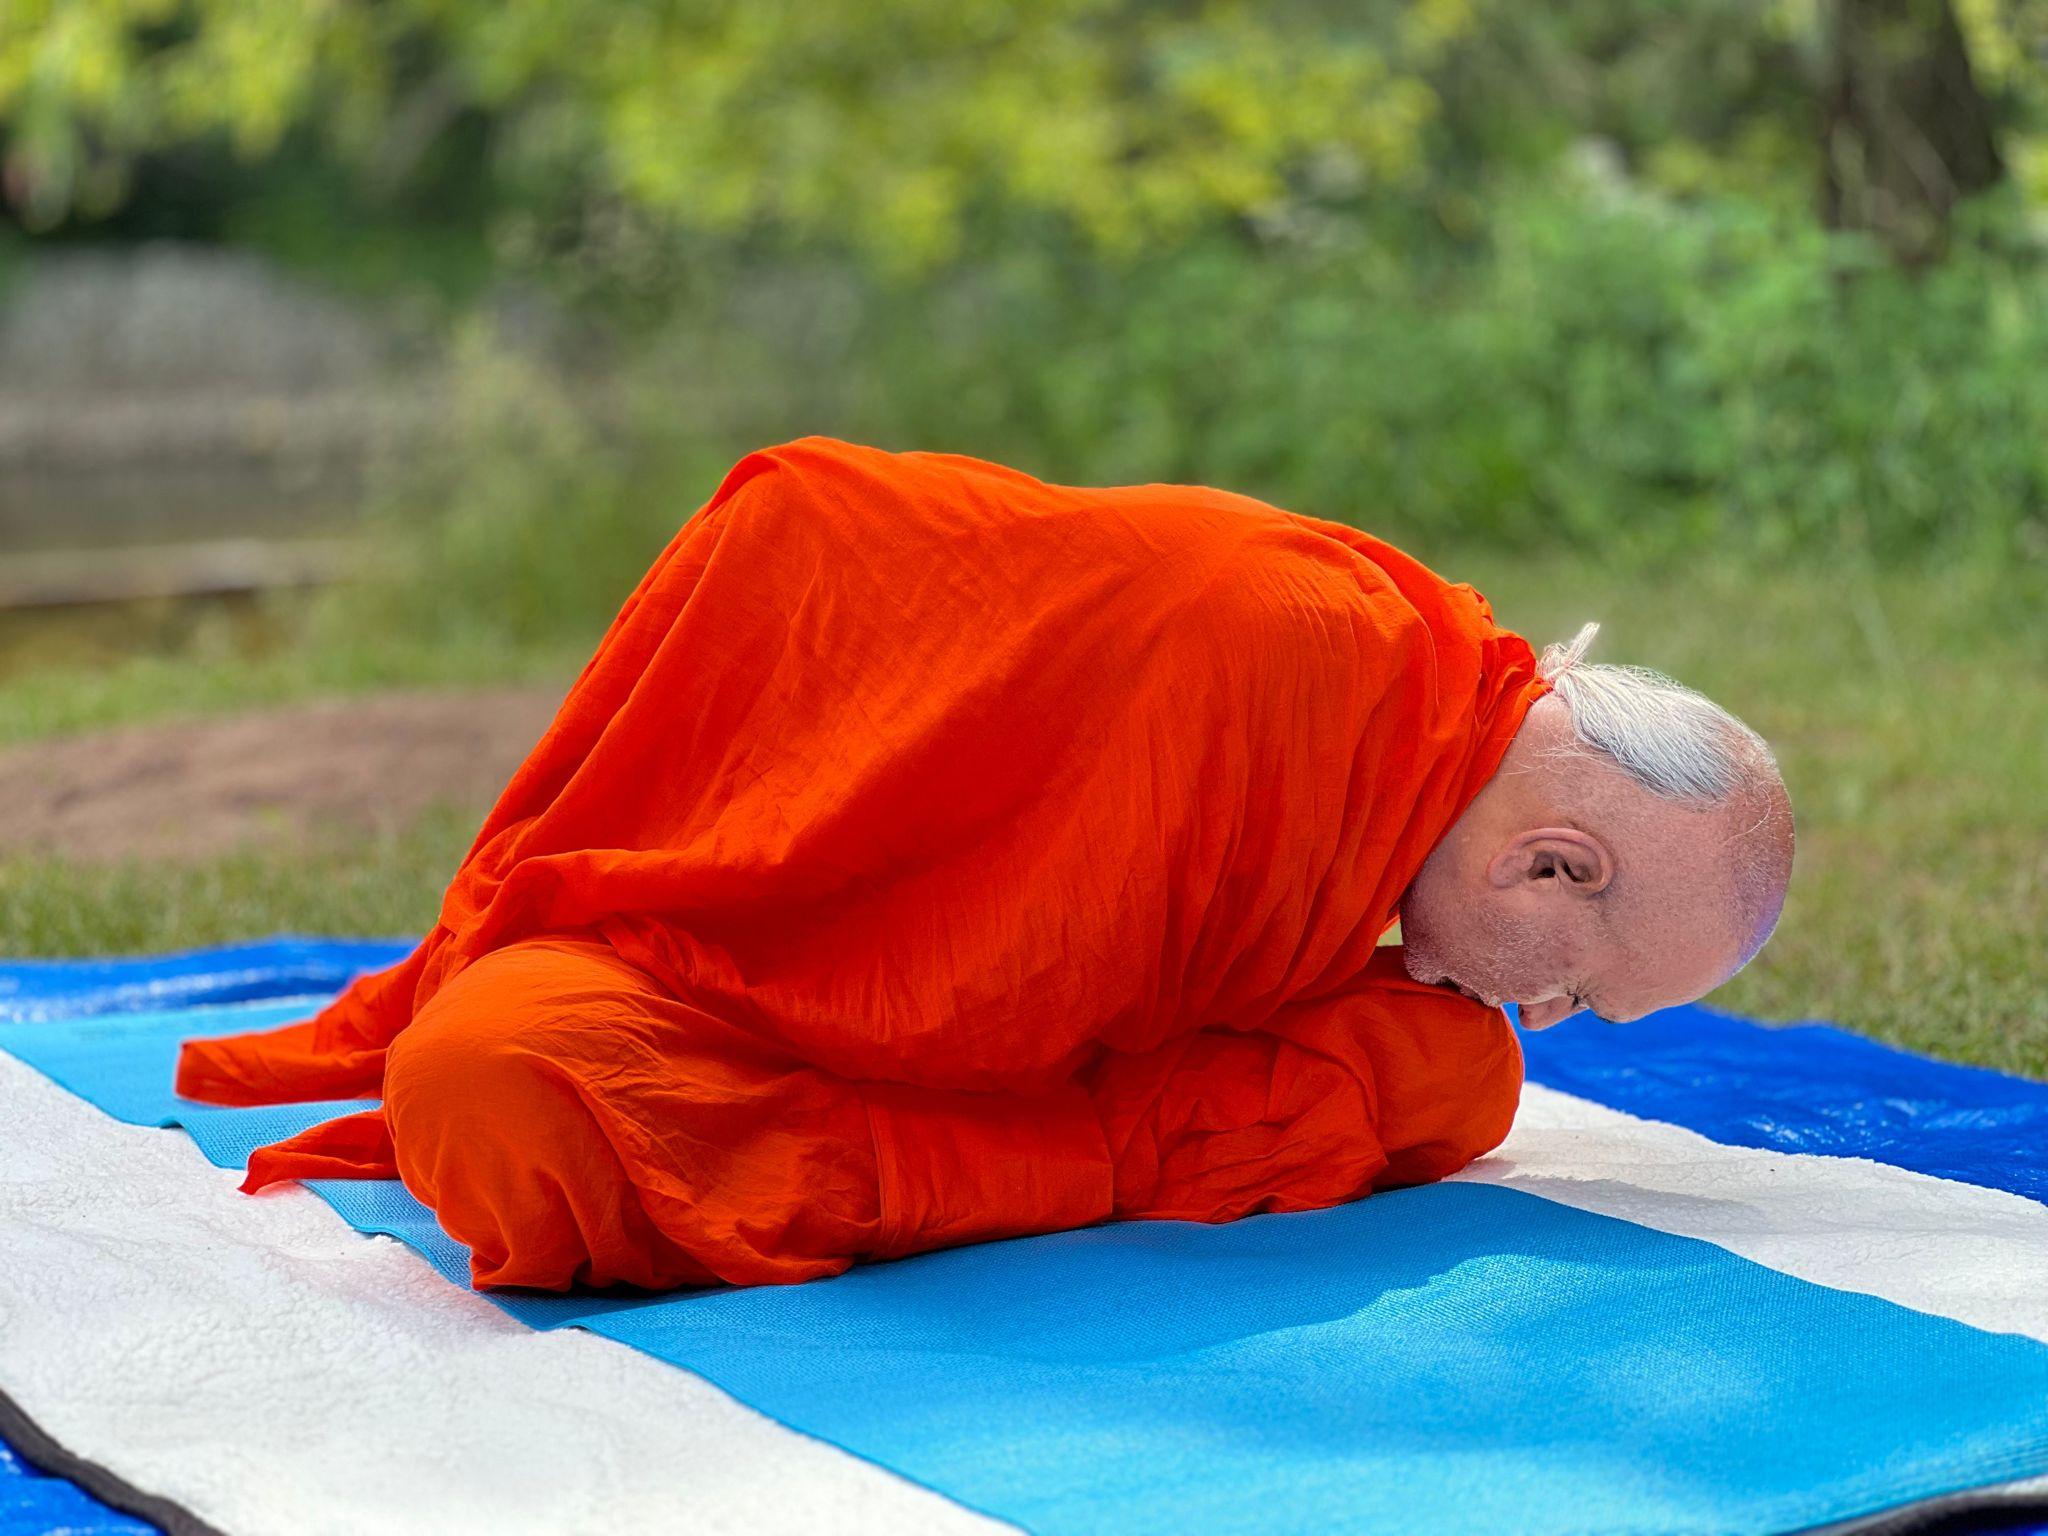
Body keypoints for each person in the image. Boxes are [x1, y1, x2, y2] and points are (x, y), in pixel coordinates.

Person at [175, 437, 1794, 1293]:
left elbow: (1123, 990)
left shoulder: (1410, 757)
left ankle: (1002, 1175)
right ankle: (1059, 1172)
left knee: (1457, 1080)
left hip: (989, 1088)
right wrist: (1122, 1136)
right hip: (772, 967)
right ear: (1556, 864)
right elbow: (990, 988)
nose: (1549, 1016)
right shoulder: (1283, 667)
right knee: (495, 1086)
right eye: (1576, 986)